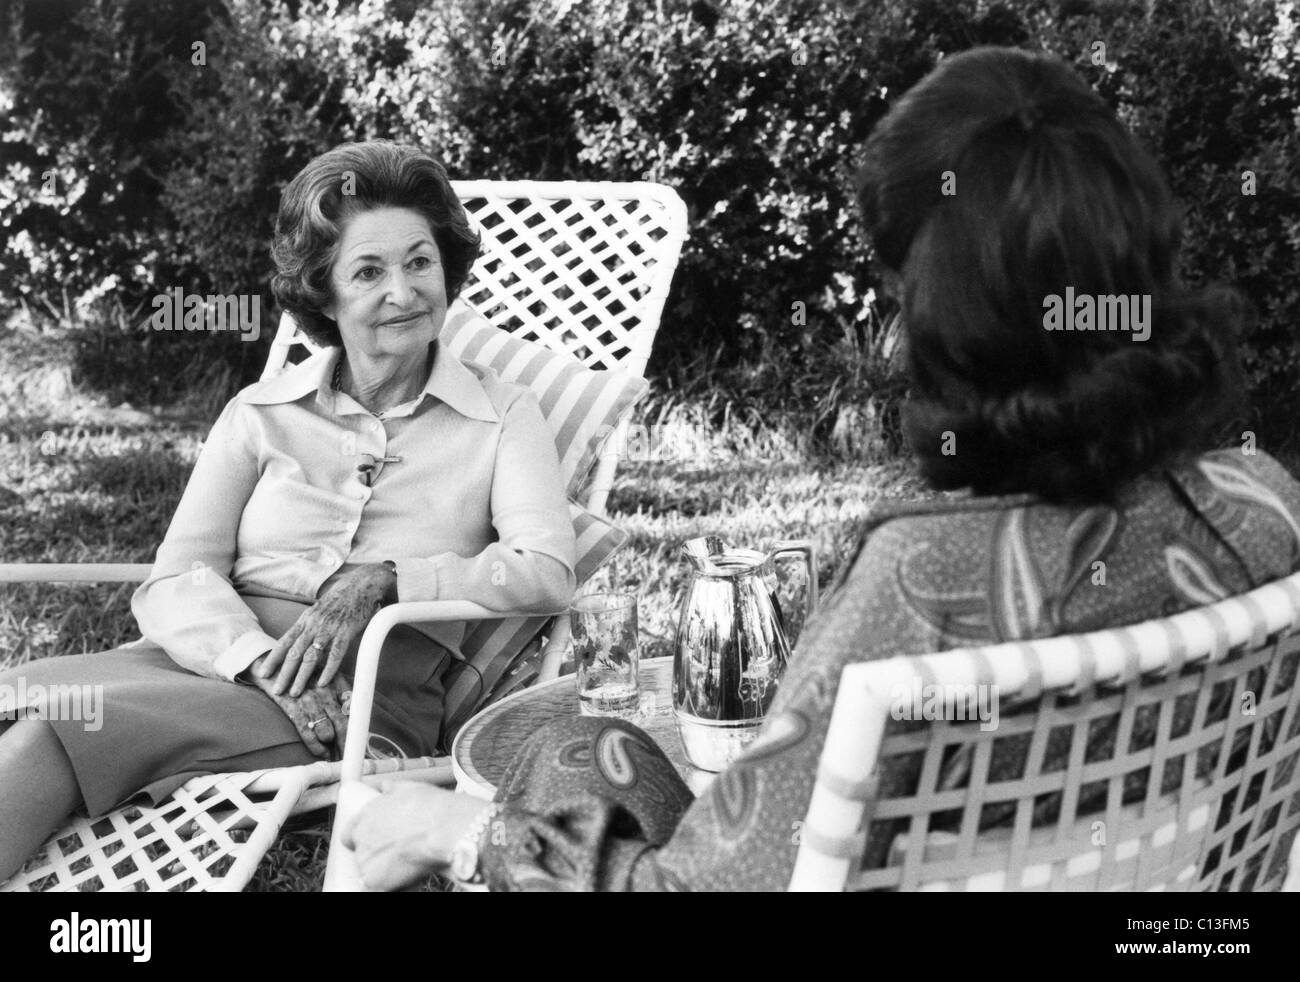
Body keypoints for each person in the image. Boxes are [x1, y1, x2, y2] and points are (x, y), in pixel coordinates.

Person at [345, 45, 1300, 891]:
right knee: (583, 748)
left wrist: (466, 836)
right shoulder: (1264, 509)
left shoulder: (919, 587)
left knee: (551, 767)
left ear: (941, 315)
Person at [0, 141, 577, 882]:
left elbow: (547, 572)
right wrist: (252, 661)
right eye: (368, 271)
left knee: (48, 736)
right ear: (325, 294)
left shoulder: (503, 416)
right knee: (24, 707)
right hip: (213, 664)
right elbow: (176, 577)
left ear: (447, 271)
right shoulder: (260, 412)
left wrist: (390, 579)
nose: (402, 291)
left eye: (419, 262)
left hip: (361, 700)